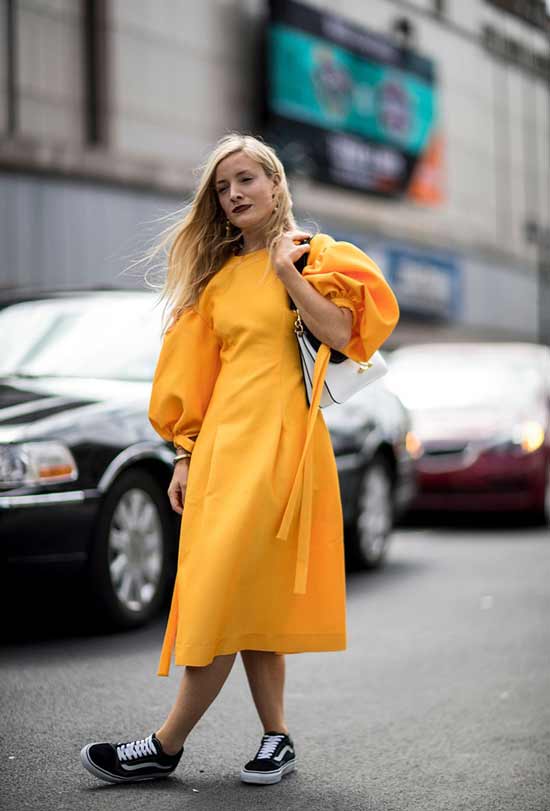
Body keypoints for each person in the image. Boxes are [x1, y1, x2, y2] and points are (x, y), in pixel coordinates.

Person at [80, 132, 399, 787]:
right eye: (223, 188)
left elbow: (342, 335)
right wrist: (182, 457)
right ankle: (276, 736)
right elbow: (196, 378)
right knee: (244, 593)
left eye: (245, 179)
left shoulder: (314, 258)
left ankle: (165, 743)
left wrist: (286, 273)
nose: (233, 194)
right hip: (222, 453)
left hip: (281, 449)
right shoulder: (217, 282)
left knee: (223, 590)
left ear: (275, 183)